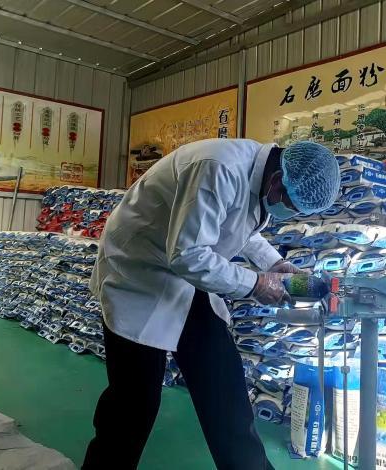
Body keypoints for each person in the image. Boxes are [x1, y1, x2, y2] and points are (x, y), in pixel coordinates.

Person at [83, 139, 341, 470]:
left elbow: (239, 227)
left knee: (225, 390)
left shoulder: (260, 177)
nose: (287, 213)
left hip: (184, 279)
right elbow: (188, 256)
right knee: (134, 402)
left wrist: (274, 264)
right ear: (278, 181)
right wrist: (257, 284)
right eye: (290, 206)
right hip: (138, 272)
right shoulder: (218, 168)